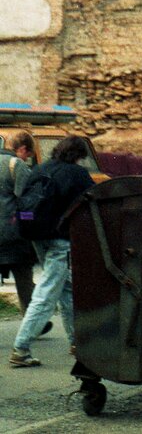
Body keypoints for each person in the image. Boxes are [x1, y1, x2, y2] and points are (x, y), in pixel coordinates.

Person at [10, 135, 93, 368]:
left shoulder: (40, 169)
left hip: (36, 236)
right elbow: (93, 202)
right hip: (60, 240)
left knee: (66, 289)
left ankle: (77, 342)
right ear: (78, 155)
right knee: (46, 293)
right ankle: (21, 348)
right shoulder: (77, 174)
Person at [0, 131, 42, 326]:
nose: (27, 159)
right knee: (24, 279)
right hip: (14, 235)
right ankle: (33, 323)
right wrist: (29, 223)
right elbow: (27, 204)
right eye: (28, 155)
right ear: (23, 149)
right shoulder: (16, 165)